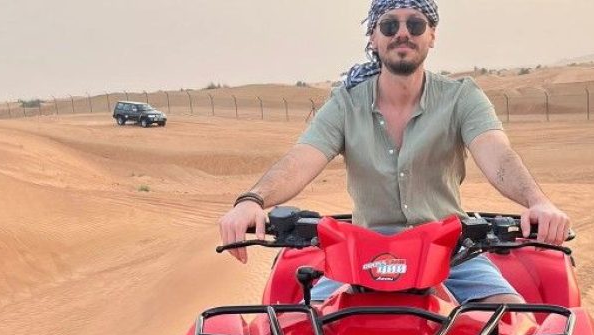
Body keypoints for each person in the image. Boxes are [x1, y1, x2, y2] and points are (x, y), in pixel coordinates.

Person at [218, 0, 570, 304]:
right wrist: (252, 200)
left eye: (415, 24)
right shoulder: (345, 104)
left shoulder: (461, 97)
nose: (403, 33)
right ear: (373, 37)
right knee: (306, 330)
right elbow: (302, 159)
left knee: (516, 329)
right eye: (389, 25)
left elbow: (498, 156)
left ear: (432, 35)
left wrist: (537, 202)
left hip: (451, 250)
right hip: (361, 253)